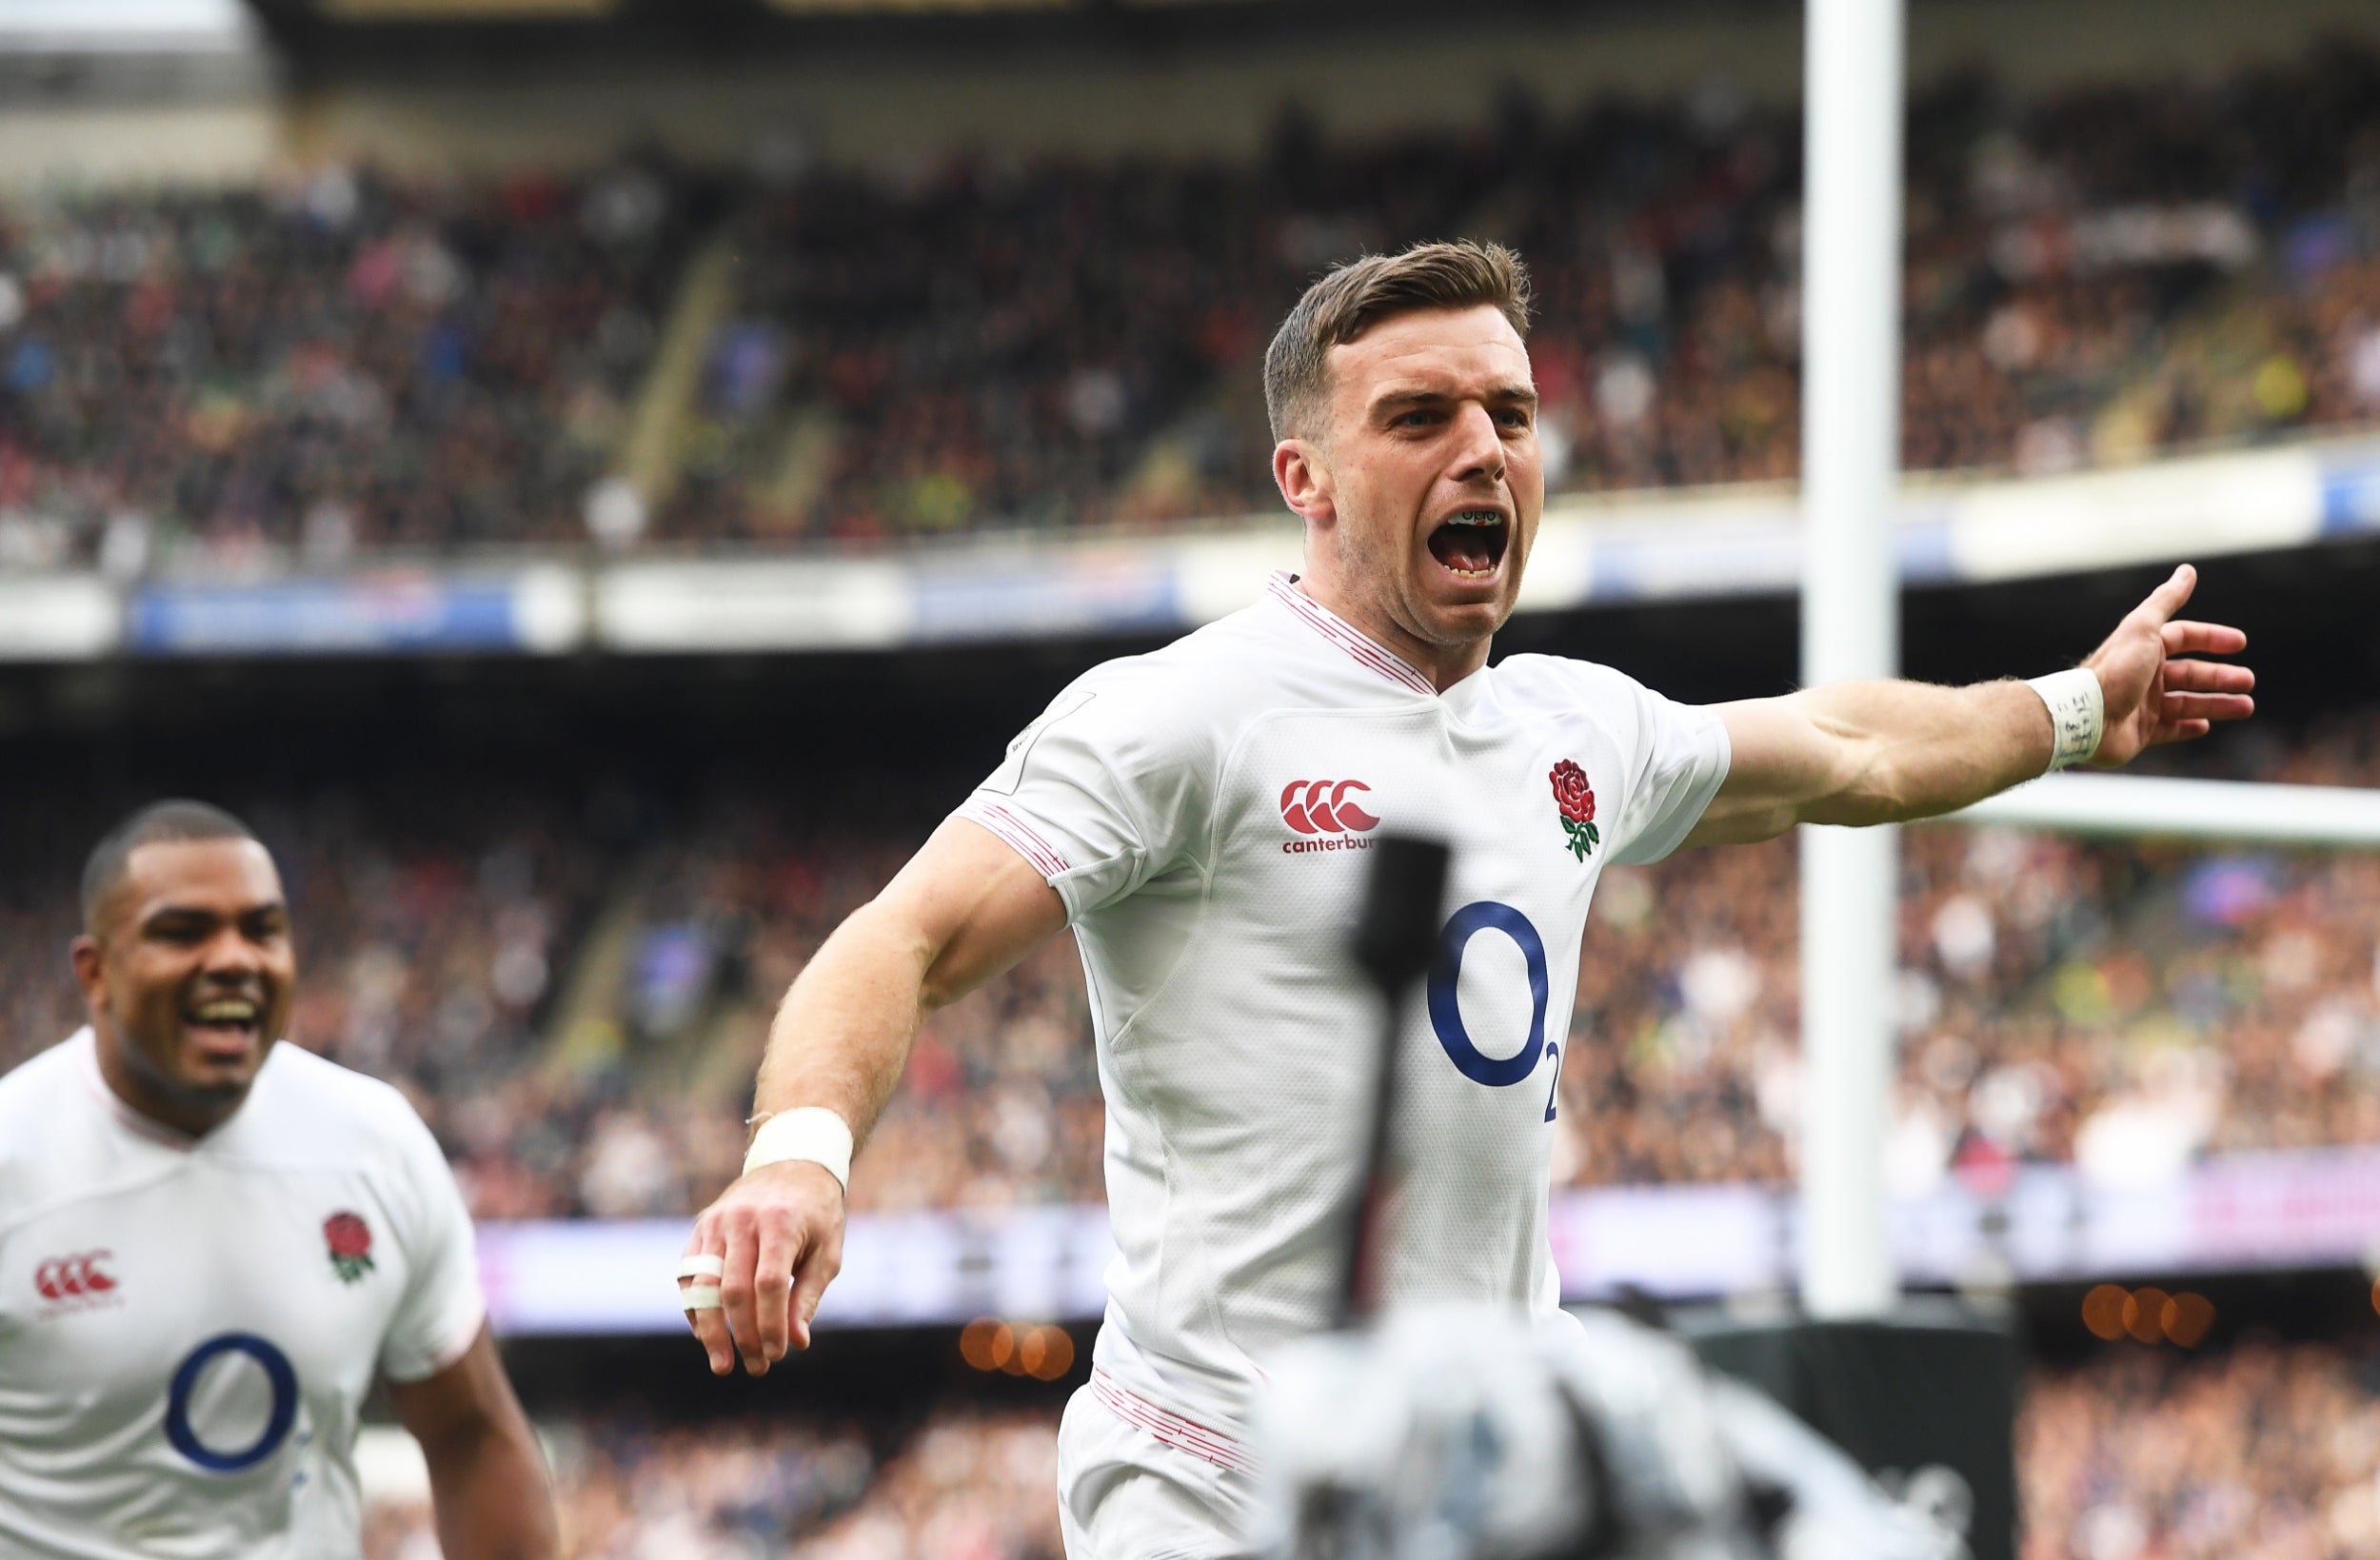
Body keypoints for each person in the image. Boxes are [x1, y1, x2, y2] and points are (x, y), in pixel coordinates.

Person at [677, 242, 2254, 1555]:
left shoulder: (1570, 728)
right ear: (1303, 476)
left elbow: (1841, 745)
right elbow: (906, 933)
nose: (1482, 449)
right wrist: (798, 1161)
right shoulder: (1180, 715)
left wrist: (2071, 710)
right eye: (1419, 416)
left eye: (1509, 411)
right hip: (1212, 1473)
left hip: (1472, 1474)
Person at [0, 800, 559, 1559]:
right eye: (183, 931)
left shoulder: (373, 1146)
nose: (235, 958)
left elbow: (471, 1436)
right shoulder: (15, 1157)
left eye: (263, 929)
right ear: (94, 973)